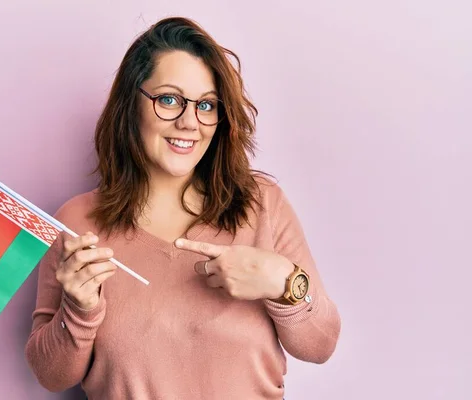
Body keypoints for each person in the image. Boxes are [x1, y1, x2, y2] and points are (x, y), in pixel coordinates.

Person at [24, 16, 341, 400]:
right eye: (169, 100)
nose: (190, 122)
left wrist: (284, 282)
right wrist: (77, 309)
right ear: (131, 104)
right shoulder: (76, 223)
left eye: (206, 105)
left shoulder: (262, 203)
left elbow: (320, 344)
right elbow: (51, 375)